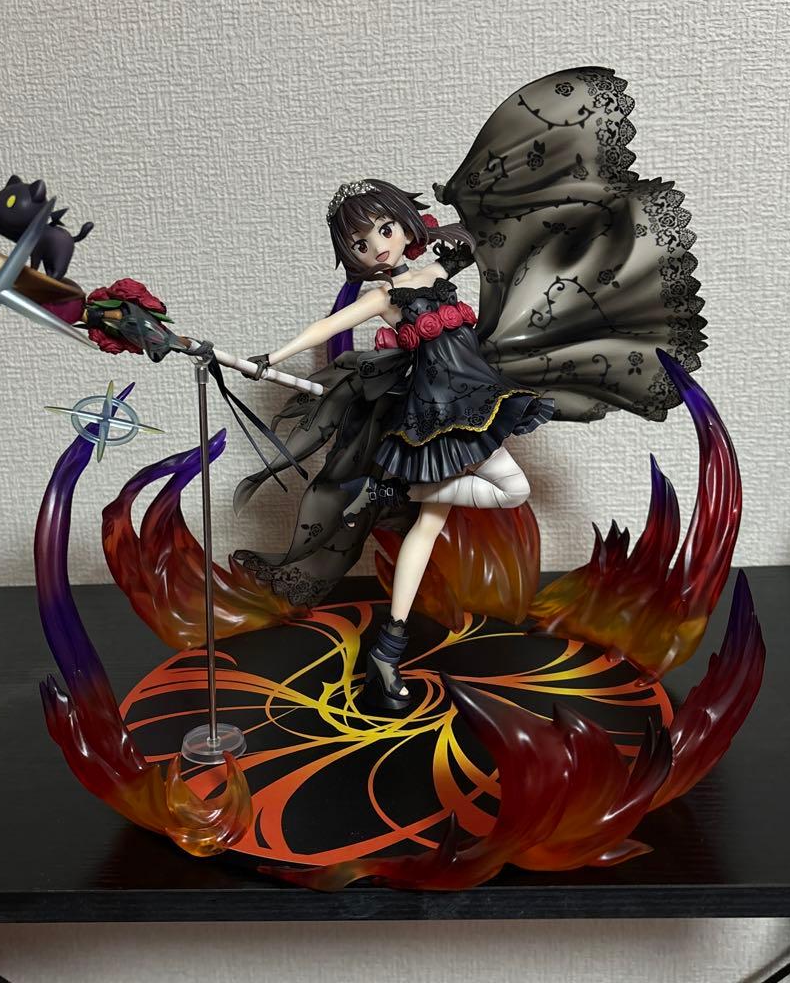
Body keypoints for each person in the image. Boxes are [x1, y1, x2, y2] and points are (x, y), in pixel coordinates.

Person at [231, 68, 708, 714]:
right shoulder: (385, 296)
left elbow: (502, 239)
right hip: (439, 409)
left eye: (384, 230)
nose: (376, 247)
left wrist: (516, 216)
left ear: (404, 224)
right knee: (484, 501)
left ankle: (392, 582)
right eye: (360, 243)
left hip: (478, 391)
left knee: (460, 510)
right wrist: (272, 358)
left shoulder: (439, 265)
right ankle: (391, 621)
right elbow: (326, 327)